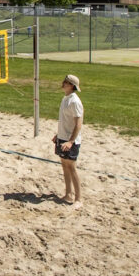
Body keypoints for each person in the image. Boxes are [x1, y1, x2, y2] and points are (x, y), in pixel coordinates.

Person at [52, 74, 84, 209]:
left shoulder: (75, 101)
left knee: (72, 167)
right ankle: (68, 194)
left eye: (66, 82)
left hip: (71, 140)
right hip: (63, 138)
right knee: (64, 166)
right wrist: (58, 135)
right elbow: (65, 121)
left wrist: (71, 141)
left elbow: (78, 124)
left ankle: (79, 199)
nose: (63, 83)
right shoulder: (65, 98)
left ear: (72, 85)